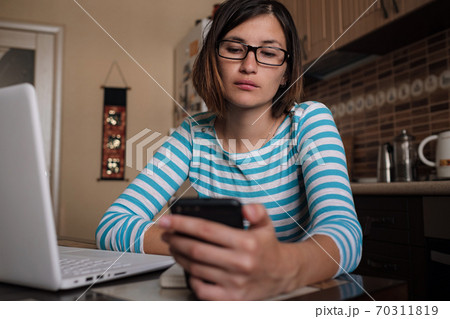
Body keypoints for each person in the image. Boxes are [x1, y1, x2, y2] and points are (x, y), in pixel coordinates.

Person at [96, 0, 362, 300]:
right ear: (213, 59)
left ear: (286, 72)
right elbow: (112, 225)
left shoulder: (309, 121)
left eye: (269, 53)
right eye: (235, 49)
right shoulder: (193, 133)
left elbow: (344, 233)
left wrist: (284, 266)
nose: (249, 66)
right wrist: (217, 251)